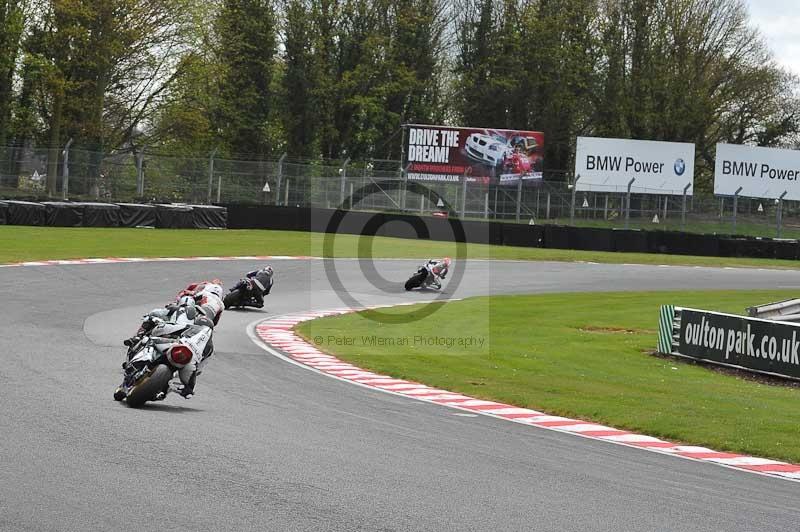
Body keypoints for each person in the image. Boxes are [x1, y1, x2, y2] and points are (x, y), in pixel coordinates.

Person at [119, 279, 225, 400]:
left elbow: (184, 294)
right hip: (194, 333)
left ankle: (138, 337)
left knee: (153, 315)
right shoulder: (219, 306)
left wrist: (178, 303)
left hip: (184, 325)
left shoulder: (199, 295)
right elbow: (214, 323)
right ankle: (139, 340)